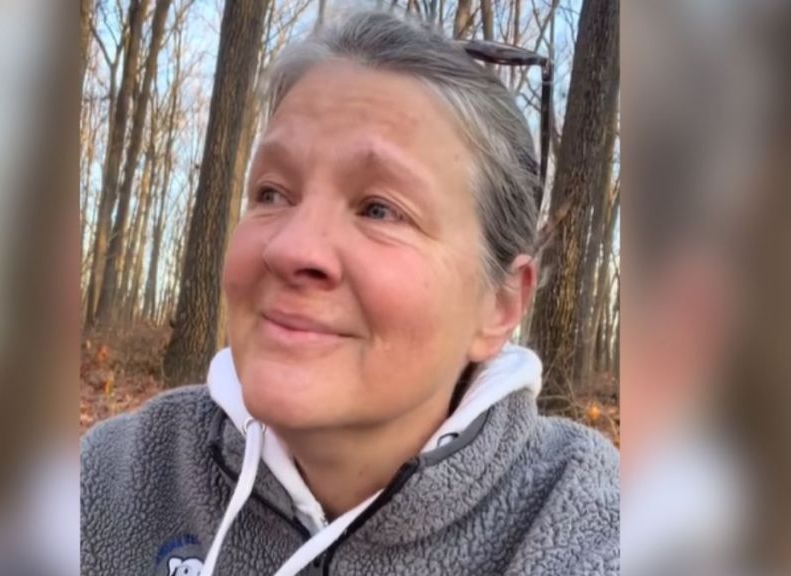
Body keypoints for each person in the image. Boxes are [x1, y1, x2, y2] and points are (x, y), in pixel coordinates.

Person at [81, 10, 618, 576]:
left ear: (501, 304)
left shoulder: (586, 521)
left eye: (379, 209)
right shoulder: (113, 480)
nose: (291, 249)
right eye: (271, 194)